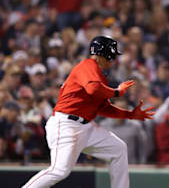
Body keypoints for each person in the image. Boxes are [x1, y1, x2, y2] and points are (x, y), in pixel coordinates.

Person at [22, 36, 155, 188]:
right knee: (59, 171)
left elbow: (103, 107)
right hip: (66, 124)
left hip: (85, 127)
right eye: (111, 56)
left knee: (118, 149)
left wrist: (130, 114)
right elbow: (93, 88)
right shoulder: (87, 65)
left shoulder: (99, 76)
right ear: (102, 54)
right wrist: (117, 92)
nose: (112, 61)